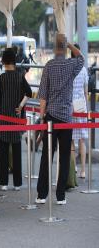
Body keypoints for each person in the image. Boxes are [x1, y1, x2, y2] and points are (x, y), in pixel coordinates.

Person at [36, 34, 84, 205]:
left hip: (50, 117)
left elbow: (42, 94)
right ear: (64, 49)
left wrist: (42, 116)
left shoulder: (48, 66)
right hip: (66, 118)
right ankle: (61, 196)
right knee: (64, 156)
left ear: (54, 49)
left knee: (46, 156)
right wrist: (69, 44)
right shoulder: (72, 65)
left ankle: (42, 194)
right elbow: (81, 57)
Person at [0, 48, 32, 191]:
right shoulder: (19, 76)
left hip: (4, 118)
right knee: (16, 152)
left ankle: (3, 182)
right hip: (16, 118)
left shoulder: (2, 78)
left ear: (4, 61)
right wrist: (20, 106)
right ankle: (17, 183)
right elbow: (29, 92)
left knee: (4, 151)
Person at [71, 44, 88, 179]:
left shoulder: (69, 69)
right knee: (82, 139)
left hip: (70, 106)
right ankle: (83, 170)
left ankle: (73, 168)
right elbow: (85, 91)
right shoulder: (83, 70)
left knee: (70, 139)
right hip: (81, 107)